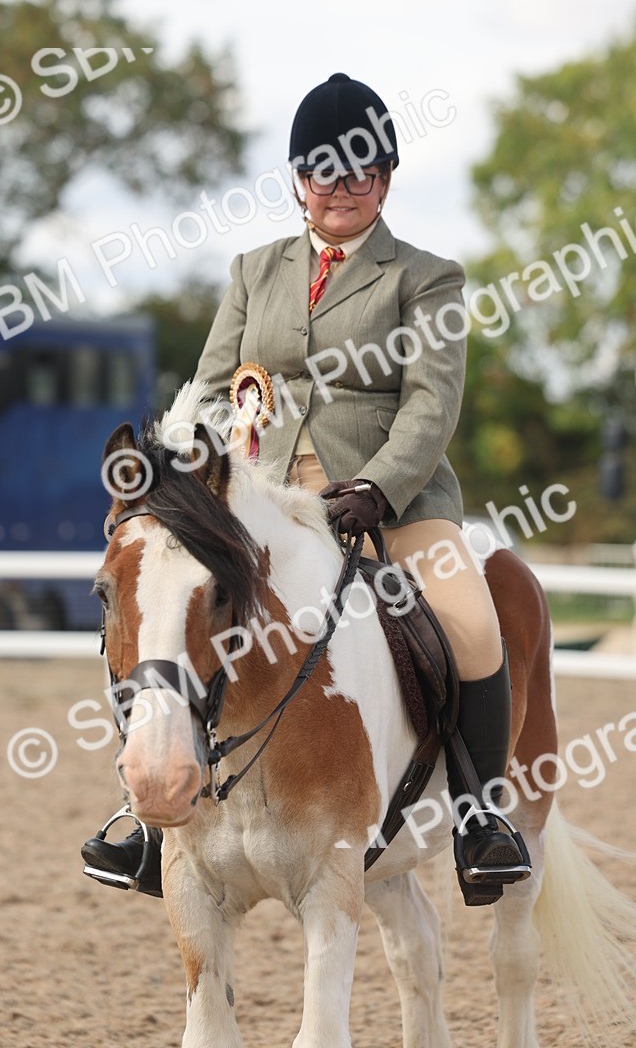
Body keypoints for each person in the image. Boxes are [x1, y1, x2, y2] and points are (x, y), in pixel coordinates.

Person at [82, 72, 530, 906]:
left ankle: (478, 819)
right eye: (325, 173)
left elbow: (433, 405)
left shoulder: (426, 278)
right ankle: (146, 819)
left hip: (389, 502)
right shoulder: (255, 271)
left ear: (386, 179)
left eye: (362, 173)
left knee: (471, 624)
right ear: (299, 180)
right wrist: (174, 480)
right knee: (169, 605)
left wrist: (381, 488)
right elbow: (210, 389)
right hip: (260, 500)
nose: (343, 190)